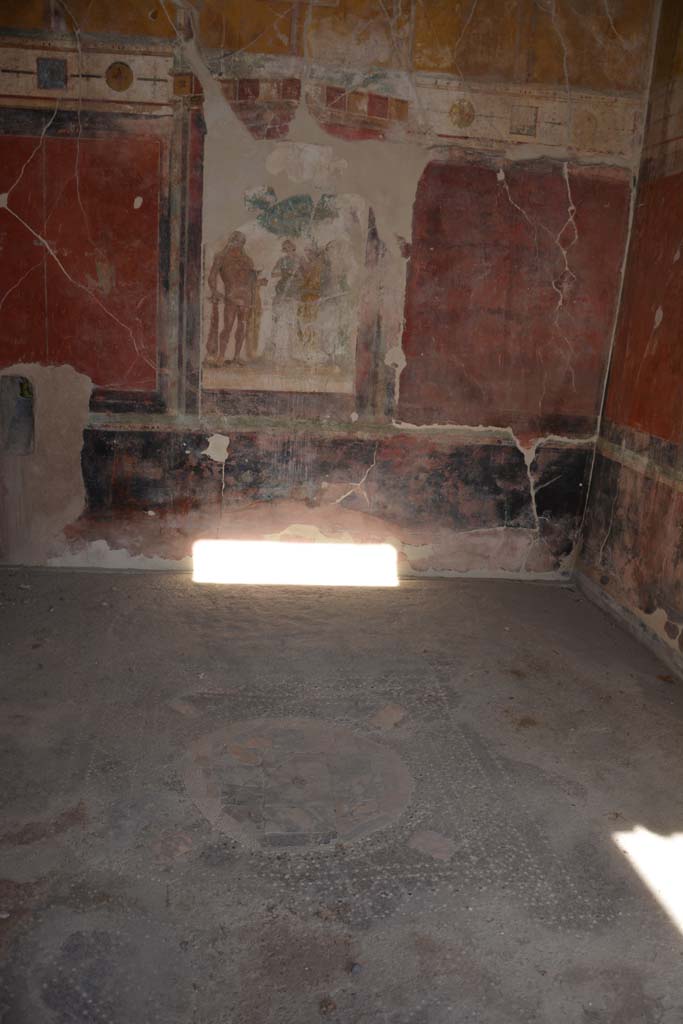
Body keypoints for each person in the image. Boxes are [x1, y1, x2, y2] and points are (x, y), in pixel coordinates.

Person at [206, 231, 265, 365]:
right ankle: (221, 356)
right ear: (231, 241)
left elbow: (251, 279)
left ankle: (236, 357)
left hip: (246, 297)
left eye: (240, 242)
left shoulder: (247, 260)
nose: (238, 244)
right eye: (236, 241)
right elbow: (212, 276)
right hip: (231, 296)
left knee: (242, 326)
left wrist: (258, 281)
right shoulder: (221, 256)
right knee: (228, 326)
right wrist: (214, 291)